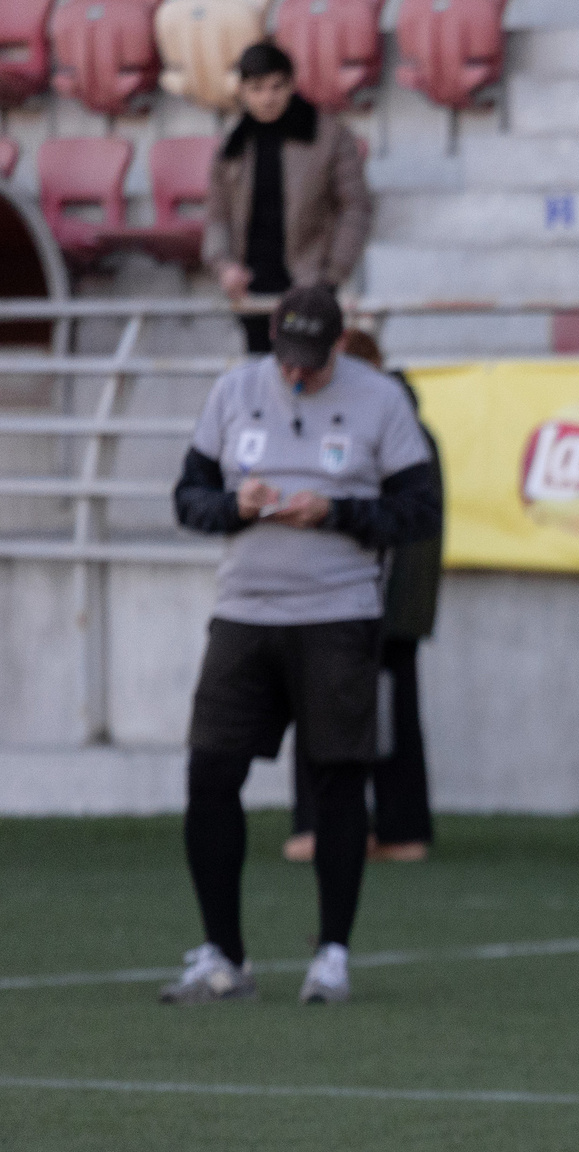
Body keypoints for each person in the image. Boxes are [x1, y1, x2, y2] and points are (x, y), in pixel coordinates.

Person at [160, 286, 442, 1006]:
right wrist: (235, 506)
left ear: (339, 345)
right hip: (242, 613)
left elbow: (420, 510)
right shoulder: (234, 390)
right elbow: (188, 498)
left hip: (338, 615)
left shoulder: (381, 399)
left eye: (310, 360)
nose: (294, 372)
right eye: (286, 356)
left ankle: (332, 956)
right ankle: (223, 956)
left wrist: (336, 511)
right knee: (209, 773)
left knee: (338, 780)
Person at [283, 327, 441, 865]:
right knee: (384, 714)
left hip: (368, 599)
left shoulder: (388, 429)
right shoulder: (407, 427)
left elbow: (402, 525)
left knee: (338, 709)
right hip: (383, 600)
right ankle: (394, 829)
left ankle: (333, 826)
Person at [201, 41, 373, 355]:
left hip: (309, 282)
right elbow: (217, 216)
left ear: (292, 84)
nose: (268, 98)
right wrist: (225, 267)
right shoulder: (232, 145)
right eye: (257, 88)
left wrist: (332, 274)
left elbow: (356, 207)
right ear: (242, 90)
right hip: (252, 286)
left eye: (276, 86)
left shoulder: (331, 137)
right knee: (259, 372)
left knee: (309, 370)